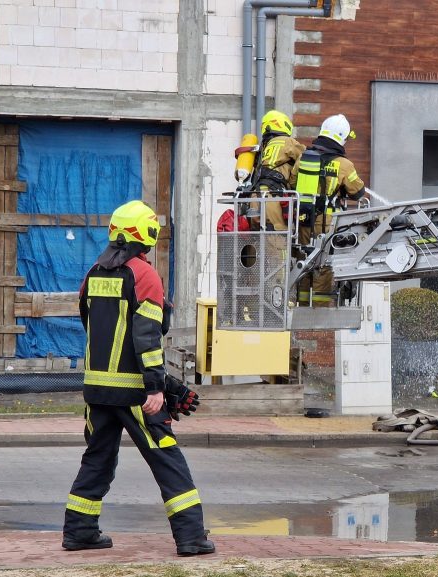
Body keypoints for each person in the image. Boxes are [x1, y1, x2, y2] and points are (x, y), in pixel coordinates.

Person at [62, 200, 215, 557]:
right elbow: (146, 337)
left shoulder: (94, 273)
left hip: (97, 391)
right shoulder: (143, 274)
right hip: (135, 395)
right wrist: (158, 387)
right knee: (168, 461)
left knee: (98, 459)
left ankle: (79, 532)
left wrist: (167, 383)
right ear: (144, 234)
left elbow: (93, 328)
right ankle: (191, 538)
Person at [294, 113, 367, 306]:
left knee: (304, 259)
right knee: (323, 263)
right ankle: (318, 311)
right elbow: (358, 192)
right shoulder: (344, 165)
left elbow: (292, 183)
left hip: (302, 220)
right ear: (341, 137)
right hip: (326, 223)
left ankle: (302, 305)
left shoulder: (304, 158)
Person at [241, 109, 305, 231]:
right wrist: (293, 183)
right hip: (274, 197)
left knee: (256, 236)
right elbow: (307, 158)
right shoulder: (288, 141)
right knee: (277, 238)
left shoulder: (261, 148)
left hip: (255, 197)